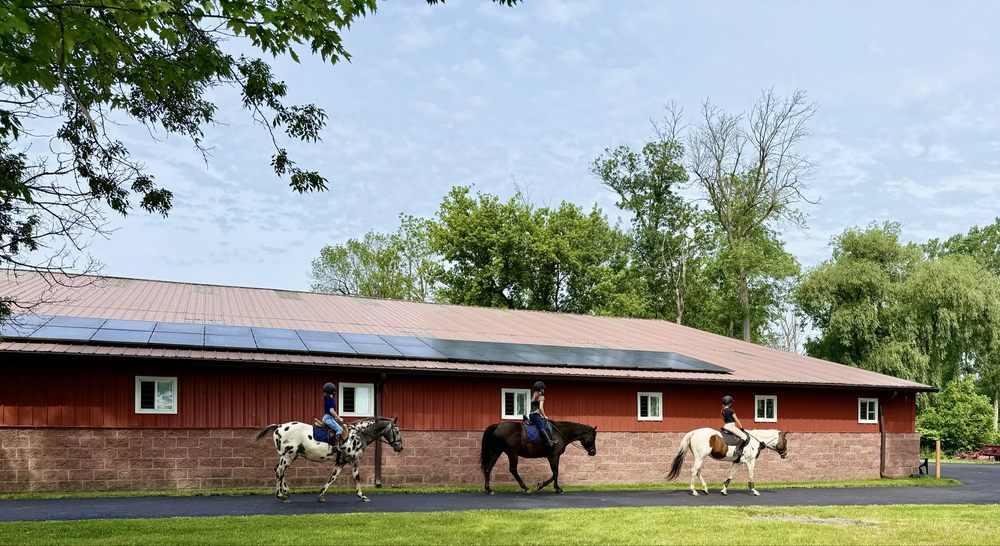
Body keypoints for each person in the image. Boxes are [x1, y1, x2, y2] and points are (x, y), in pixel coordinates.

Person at [721, 395, 750, 460]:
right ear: (730, 403)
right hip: (731, 427)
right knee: (744, 437)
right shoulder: (731, 410)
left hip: (725, 426)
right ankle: (737, 451)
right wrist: (741, 427)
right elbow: (737, 420)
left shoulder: (722, 411)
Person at [529, 381, 556, 447]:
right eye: (543, 388)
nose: (544, 390)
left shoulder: (534, 395)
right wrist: (544, 416)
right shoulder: (541, 397)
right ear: (541, 389)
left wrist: (540, 415)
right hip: (535, 415)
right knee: (542, 427)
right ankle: (549, 441)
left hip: (531, 415)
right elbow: (541, 408)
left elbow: (534, 408)